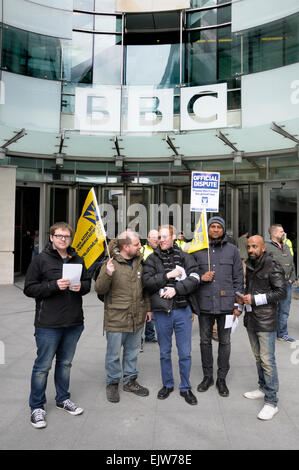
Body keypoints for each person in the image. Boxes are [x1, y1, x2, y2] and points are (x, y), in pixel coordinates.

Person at [24, 222, 91, 429]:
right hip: (48, 324)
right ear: (51, 237)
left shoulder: (77, 258)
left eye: (67, 236)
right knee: (43, 366)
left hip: (73, 322)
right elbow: (29, 288)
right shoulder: (41, 260)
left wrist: (81, 287)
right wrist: (53, 285)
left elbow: (88, 283)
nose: (63, 239)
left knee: (65, 364)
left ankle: (63, 399)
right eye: (59, 236)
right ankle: (37, 407)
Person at [142, 225, 200, 405]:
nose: (162, 240)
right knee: (165, 352)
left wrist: (177, 289)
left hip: (183, 311)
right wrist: (168, 275)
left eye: (166, 236)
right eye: (159, 237)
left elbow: (196, 277)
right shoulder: (151, 259)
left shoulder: (185, 256)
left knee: (185, 353)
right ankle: (167, 384)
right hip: (162, 313)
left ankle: (185, 387)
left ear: (174, 237)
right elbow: (147, 282)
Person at [95, 231, 151, 403]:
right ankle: (112, 382)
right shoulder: (110, 263)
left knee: (133, 351)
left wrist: (148, 309)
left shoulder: (140, 262)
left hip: (137, 315)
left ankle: (130, 380)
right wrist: (107, 274)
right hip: (116, 317)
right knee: (113, 354)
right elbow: (99, 289)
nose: (140, 246)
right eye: (136, 244)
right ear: (126, 247)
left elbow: (145, 289)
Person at [191, 216, 243, 397]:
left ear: (223, 229)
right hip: (204, 304)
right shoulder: (198, 250)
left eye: (218, 227)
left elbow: (238, 278)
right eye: (212, 226)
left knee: (225, 341)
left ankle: (222, 378)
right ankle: (208, 377)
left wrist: (238, 304)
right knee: (204, 342)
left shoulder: (233, 250)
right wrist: (200, 276)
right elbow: (190, 273)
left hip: (227, 305)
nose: (215, 230)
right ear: (208, 229)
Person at [238, 235, 287, 420]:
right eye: (249, 247)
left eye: (255, 247)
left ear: (263, 248)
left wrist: (256, 299)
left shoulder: (272, 265)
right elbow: (250, 288)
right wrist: (242, 298)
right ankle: (262, 388)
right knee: (258, 358)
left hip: (266, 320)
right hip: (251, 318)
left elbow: (281, 292)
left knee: (267, 361)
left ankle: (271, 402)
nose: (251, 250)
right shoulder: (251, 265)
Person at [265, 224, 296, 343]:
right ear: (274, 233)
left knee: (284, 309)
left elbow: (292, 263)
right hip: (272, 284)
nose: (284, 233)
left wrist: (291, 279)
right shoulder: (266, 247)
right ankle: (269, 333)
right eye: (281, 232)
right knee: (271, 309)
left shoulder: (286, 246)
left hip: (286, 284)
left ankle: (282, 333)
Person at [140, 230, 159, 346]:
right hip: (144, 283)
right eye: (153, 238)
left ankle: (150, 335)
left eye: (157, 237)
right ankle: (139, 338)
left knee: (151, 311)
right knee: (143, 311)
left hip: (155, 285)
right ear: (148, 238)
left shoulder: (160, 251)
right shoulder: (142, 250)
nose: (156, 240)